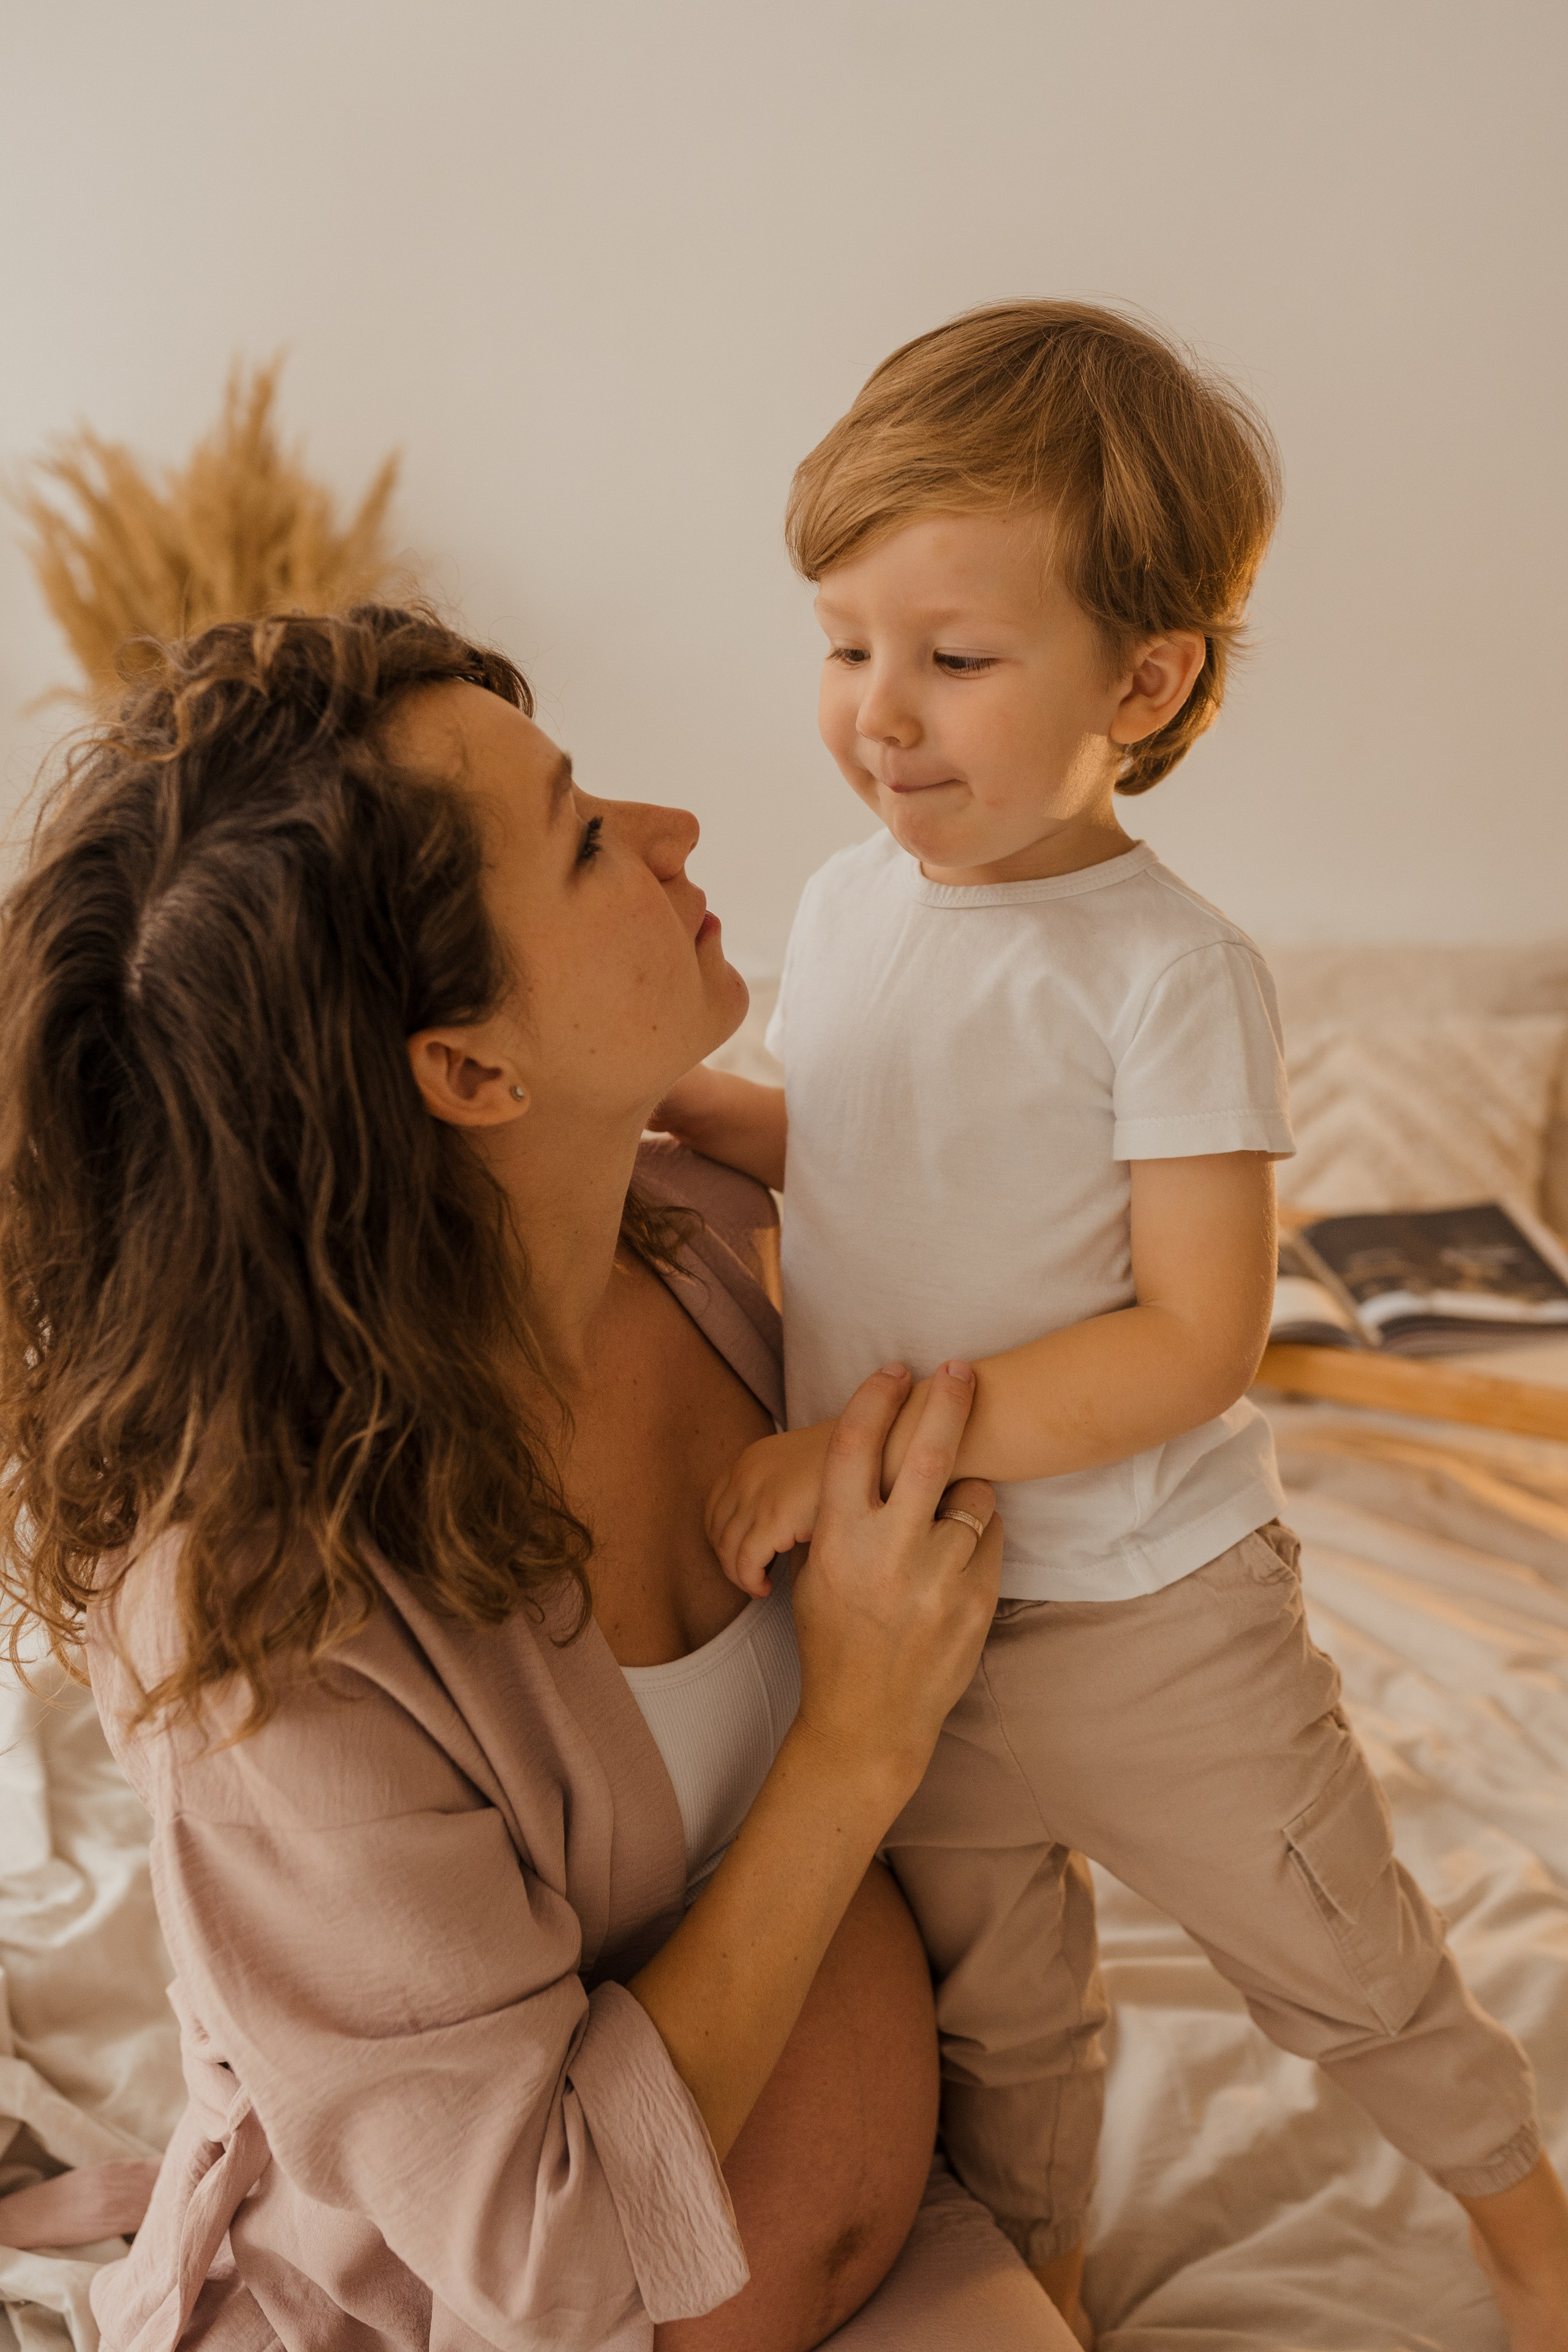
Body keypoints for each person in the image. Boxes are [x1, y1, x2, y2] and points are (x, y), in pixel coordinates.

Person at [0, 605, 1080, 2352]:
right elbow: (546, 2248)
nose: (674, 837)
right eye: (586, 840)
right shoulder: (265, 1624)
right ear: (468, 1071)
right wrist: (852, 1747)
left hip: (908, 2251)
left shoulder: (711, 1242)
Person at [650, 300, 1568, 2351]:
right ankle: (1045, 2279)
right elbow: (877, 1153)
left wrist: (857, 1442)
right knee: (999, 2018)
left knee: (1336, 1957)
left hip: (1147, 1616)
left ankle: (1528, 2224)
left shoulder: (1167, 972)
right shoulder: (851, 904)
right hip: (915, 1624)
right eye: (844, 643)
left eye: (956, 661)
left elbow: (1190, 1340)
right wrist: (687, 1109)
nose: (882, 713)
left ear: (1142, 683)